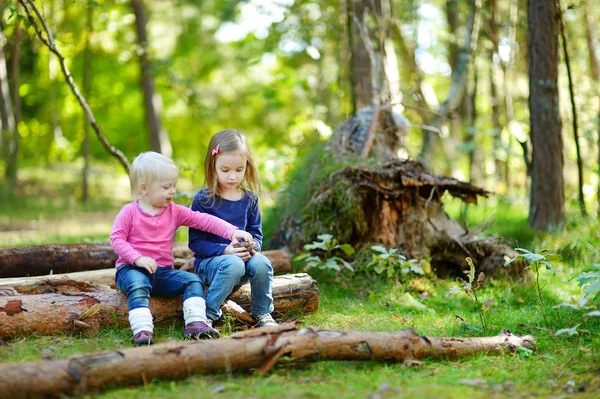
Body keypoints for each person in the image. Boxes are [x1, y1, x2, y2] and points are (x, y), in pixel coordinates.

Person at [110, 151, 253, 346]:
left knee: (192, 281)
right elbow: (116, 239)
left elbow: (202, 220)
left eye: (174, 186)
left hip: (161, 273)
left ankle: (196, 323)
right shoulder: (129, 212)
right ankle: (142, 331)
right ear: (144, 188)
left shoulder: (174, 211)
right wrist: (137, 258)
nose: (172, 192)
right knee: (138, 284)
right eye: (166, 187)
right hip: (130, 269)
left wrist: (231, 232)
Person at [189, 129, 277, 332]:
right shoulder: (203, 200)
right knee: (233, 263)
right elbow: (196, 243)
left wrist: (252, 247)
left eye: (239, 169)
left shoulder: (250, 199)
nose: (233, 176)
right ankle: (208, 313)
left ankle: (262, 311)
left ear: (247, 166)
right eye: (225, 169)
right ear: (213, 166)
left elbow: (256, 233)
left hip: (243, 261)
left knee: (263, 262)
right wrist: (225, 250)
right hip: (211, 265)